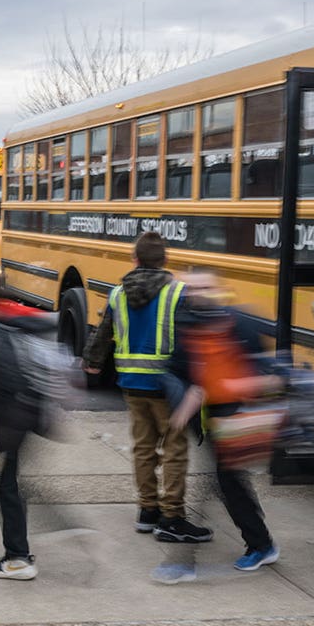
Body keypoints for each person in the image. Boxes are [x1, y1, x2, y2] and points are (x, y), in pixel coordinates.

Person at [82, 232, 212, 544]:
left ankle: (147, 511)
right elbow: (192, 339)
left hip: (132, 383)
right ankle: (172, 517)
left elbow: (104, 333)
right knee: (174, 451)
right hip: (168, 386)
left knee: (143, 448)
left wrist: (92, 362)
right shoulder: (178, 292)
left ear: (136, 260)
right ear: (165, 260)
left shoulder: (117, 294)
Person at [158, 268, 284, 581]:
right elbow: (187, 376)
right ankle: (259, 543)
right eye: (191, 288)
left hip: (240, 418)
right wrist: (180, 415)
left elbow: (268, 376)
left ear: (216, 290)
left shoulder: (241, 323)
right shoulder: (189, 327)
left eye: (202, 287)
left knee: (223, 483)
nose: (196, 292)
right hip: (216, 421)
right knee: (229, 484)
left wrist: (232, 386)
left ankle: (191, 561)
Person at [0, 298, 60, 580]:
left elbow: (7, 386)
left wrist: (4, 434)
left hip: (15, 425)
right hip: (29, 422)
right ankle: (21, 551)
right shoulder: (22, 331)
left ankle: (18, 559)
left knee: (8, 487)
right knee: (14, 484)